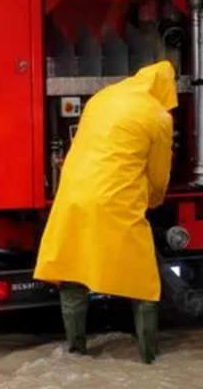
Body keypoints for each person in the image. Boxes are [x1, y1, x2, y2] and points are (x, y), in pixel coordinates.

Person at [33, 60, 178, 364]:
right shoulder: (158, 116)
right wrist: (154, 200)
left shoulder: (102, 98)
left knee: (72, 271)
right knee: (143, 281)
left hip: (72, 195)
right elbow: (158, 173)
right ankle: (149, 357)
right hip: (117, 200)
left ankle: (75, 353)